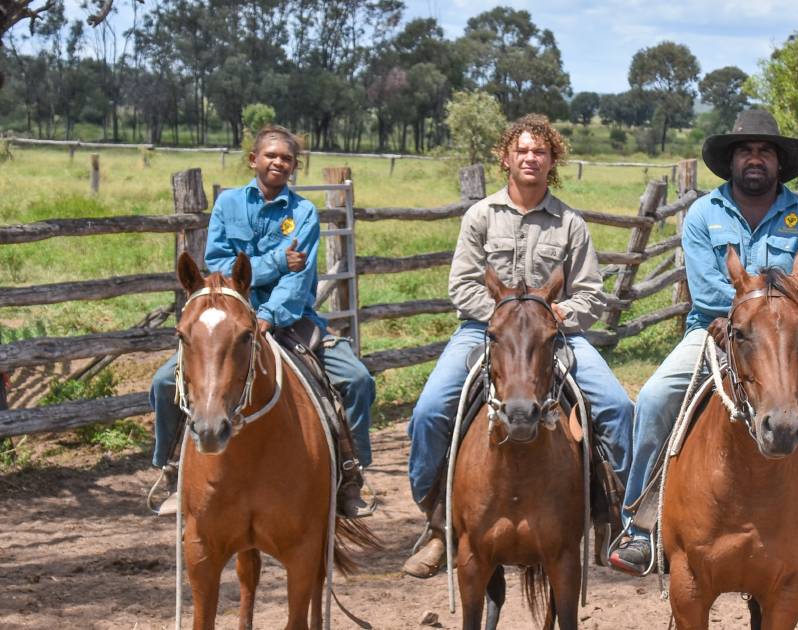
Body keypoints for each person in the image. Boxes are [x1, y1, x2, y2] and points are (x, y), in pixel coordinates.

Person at [609, 109, 798, 600]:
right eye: (746, 151)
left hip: (794, 341)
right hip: (713, 333)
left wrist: (769, 315)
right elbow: (709, 293)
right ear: (731, 162)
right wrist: (748, 313)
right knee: (653, 397)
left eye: (765, 151)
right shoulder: (705, 215)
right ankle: (639, 526)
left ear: (778, 163)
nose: (755, 159)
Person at [402, 114, 634, 579]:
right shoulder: (481, 216)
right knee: (429, 411)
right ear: (506, 157)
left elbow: (591, 293)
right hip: (484, 332)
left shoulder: (570, 223)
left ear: (553, 162)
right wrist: (505, 320)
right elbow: (463, 284)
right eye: (522, 150)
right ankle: (435, 520)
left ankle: (621, 518)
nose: (531, 158)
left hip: (555, 335)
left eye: (540, 152)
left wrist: (554, 316)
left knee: (617, 406)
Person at [149, 125, 376, 519]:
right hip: (227, 320)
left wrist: (266, 318)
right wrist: (273, 263)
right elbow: (218, 267)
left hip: (288, 320)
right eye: (270, 155)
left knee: (355, 380)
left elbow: (298, 279)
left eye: (286, 158)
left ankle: (349, 473)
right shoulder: (228, 205)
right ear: (253, 159)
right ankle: (172, 469)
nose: (278, 162)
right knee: (165, 381)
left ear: (294, 166)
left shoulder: (302, 212)